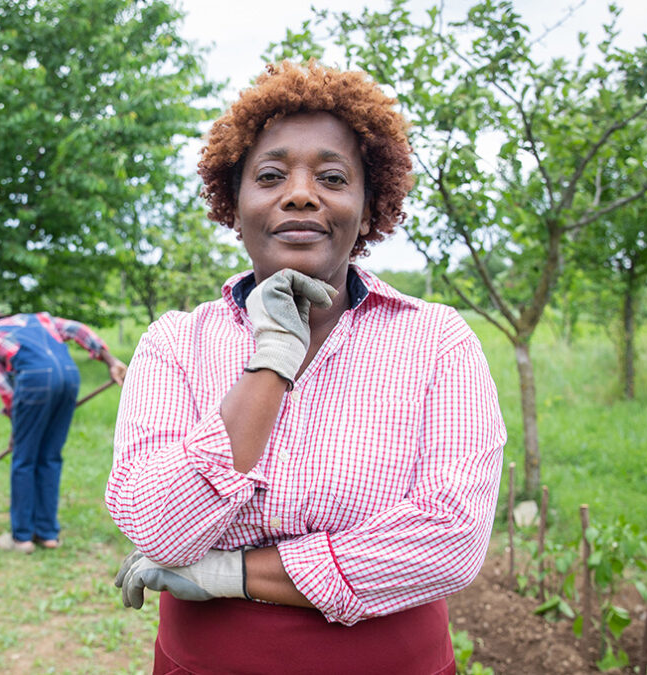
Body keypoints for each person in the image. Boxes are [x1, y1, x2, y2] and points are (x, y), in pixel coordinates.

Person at [105, 60, 507, 674]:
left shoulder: (436, 342)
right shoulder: (175, 343)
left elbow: (448, 542)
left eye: (332, 176)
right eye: (269, 176)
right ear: (233, 208)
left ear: (369, 210)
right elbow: (160, 530)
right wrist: (271, 361)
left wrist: (227, 571)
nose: (299, 193)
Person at [0, 302, 127, 554]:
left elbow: (7, 390)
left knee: (24, 459)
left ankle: (21, 538)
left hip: (35, 381)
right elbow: (77, 329)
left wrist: (17, 427)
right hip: (69, 377)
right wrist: (109, 360)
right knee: (50, 457)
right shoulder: (38, 318)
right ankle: (47, 534)